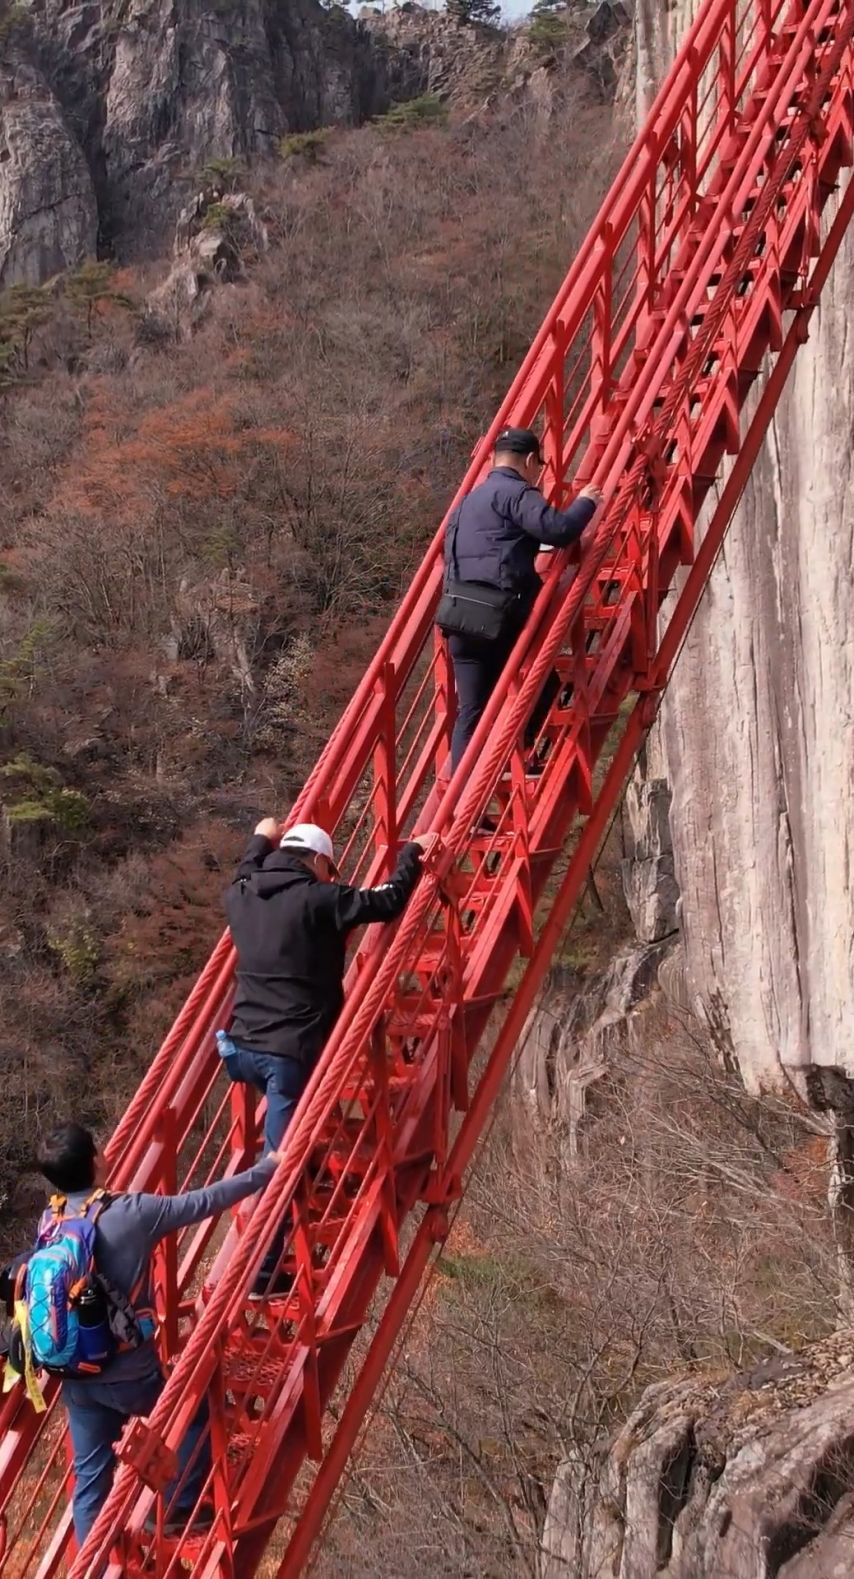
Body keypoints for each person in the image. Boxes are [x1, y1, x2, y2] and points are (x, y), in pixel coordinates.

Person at [29, 1122, 279, 1545]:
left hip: (75, 1377)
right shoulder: (132, 1213)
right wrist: (266, 1168)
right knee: (194, 1406)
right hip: (131, 1374)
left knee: (91, 1481)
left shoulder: (49, 1222)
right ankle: (181, 1508)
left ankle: (96, 1567)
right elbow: (205, 1201)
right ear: (97, 1160)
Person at [220, 820, 428, 1296]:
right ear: (316, 862)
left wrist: (259, 836)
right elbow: (387, 901)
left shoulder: (243, 891)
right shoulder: (319, 900)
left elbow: (249, 860)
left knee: (285, 1138)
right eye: (329, 869)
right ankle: (266, 1271)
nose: (331, 877)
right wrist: (412, 854)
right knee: (282, 1161)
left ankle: (299, 1189)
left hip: (241, 1048)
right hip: (287, 1054)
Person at [439, 426, 602, 771]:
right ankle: (518, 761)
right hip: (499, 617)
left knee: (470, 712)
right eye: (537, 466)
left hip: (457, 617)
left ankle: (464, 802)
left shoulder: (467, 501)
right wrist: (587, 502)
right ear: (529, 461)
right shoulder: (514, 493)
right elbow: (558, 530)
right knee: (542, 684)